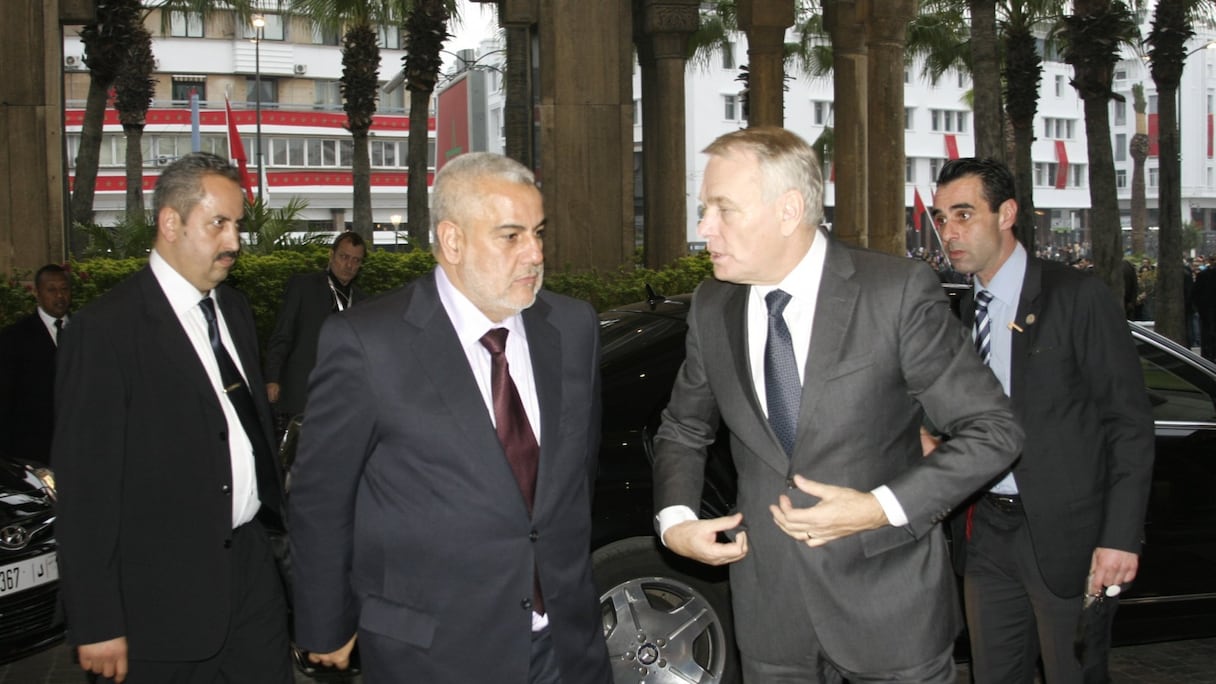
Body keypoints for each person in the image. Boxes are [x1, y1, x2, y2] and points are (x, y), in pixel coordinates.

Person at [651, 126, 1022, 683]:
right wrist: (675, 520)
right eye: (705, 209)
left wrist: (880, 507)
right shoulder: (712, 306)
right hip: (770, 614)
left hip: (890, 609)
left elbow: (994, 430)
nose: (704, 229)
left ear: (789, 209)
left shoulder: (893, 291)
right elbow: (683, 428)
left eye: (723, 209)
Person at [289, 152, 613, 683]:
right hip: (434, 650)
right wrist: (325, 622)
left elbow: (576, 476)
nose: (534, 253)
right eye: (511, 236)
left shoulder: (573, 326)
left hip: (567, 644)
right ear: (453, 241)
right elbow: (321, 496)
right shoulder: (369, 343)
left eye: (538, 232)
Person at [52, 152, 291, 683]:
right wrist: (96, 621)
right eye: (219, 224)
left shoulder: (234, 311)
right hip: (161, 601)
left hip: (252, 579)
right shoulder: (106, 331)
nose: (234, 242)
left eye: (238, 225)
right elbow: (86, 491)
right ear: (170, 223)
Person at [931, 157, 1154, 683]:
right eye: (941, 218)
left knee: (1072, 673)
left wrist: (1120, 538)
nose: (949, 233)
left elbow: (1128, 423)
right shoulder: (967, 311)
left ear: (1006, 213)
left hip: (1066, 537)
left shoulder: (1077, 297)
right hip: (983, 531)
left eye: (964, 214)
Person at [264, 231, 366, 428]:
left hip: (344, 394)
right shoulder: (303, 286)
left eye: (356, 260)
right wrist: (272, 378)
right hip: (303, 389)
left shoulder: (363, 301)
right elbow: (282, 334)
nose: (349, 265)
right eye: (344, 257)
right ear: (331, 255)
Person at [0, 264, 71, 465]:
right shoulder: (13, 339)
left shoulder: (87, 333)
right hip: (31, 454)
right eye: (51, 290)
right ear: (38, 294)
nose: (59, 296)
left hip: (79, 450)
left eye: (64, 289)